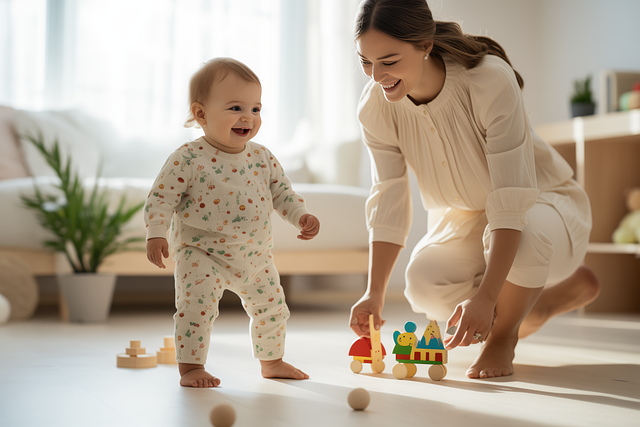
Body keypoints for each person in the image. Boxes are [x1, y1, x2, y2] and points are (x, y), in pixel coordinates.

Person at [349, 0, 600, 379]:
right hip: (467, 217)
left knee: (526, 240)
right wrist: (375, 292)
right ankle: (540, 304)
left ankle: (504, 338)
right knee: (423, 282)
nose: (376, 76)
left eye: (389, 61)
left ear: (425, 46)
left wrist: (485, 297)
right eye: (365, 62)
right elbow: (388, 196)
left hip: (543, 206)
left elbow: (512, 197)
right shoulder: (375, 108)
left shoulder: (488, 80)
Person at [144, 57, 320, 387]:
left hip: (254, 255)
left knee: (273, 308)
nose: (248, 117)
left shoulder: (262, 157)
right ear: (201, 114)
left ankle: (272, 361)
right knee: (196, 309)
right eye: (236, 107)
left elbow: (283, 192)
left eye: (256, 109)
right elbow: (161, 197)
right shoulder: (188, 157)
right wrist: (156, 233)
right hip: (201, 253)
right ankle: (192, 367)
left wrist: (301, 216)